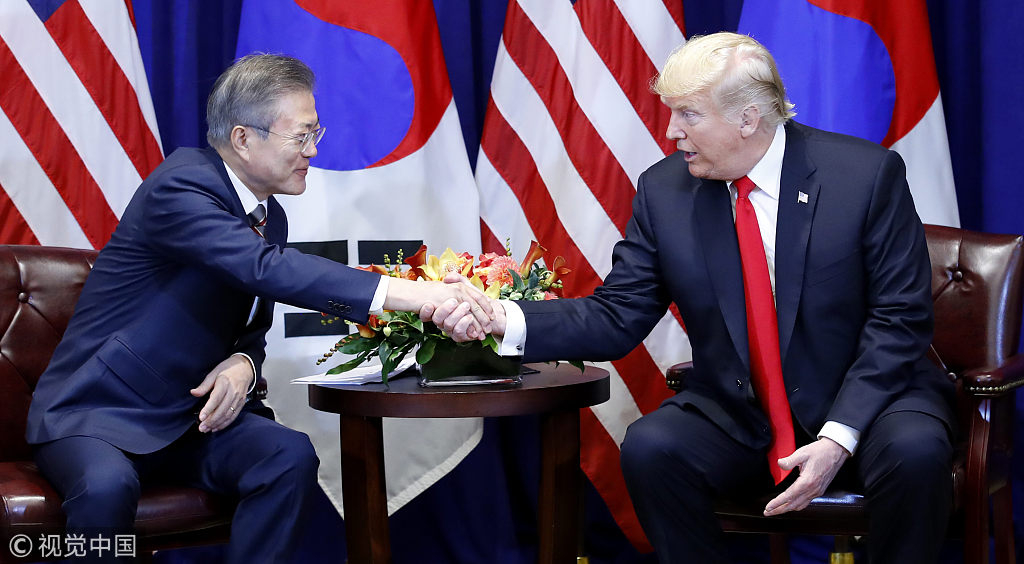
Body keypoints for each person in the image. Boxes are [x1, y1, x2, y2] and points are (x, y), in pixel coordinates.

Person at [426, 33, 955, 563]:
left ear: (748, 118)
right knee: (653, 449)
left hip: (869, 402)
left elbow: (900, 318)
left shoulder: (864, 177)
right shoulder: (665, 191)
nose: (671, 131)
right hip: (741, 412)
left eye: (689, 115)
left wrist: (839, 435)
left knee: (916, 452)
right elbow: (617, 314)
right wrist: (501, 318)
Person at [26, 54, 492, 563]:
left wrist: (245, 364)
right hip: (100, 412)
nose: (313, 151)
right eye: (302, 136)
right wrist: (413, 295)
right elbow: (263, 269)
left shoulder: (269, 216)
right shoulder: (180, 187)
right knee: (106, 487)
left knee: (286, 457)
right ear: (244, 138)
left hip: (190, 419)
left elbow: (250, 323)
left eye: (316, 133)